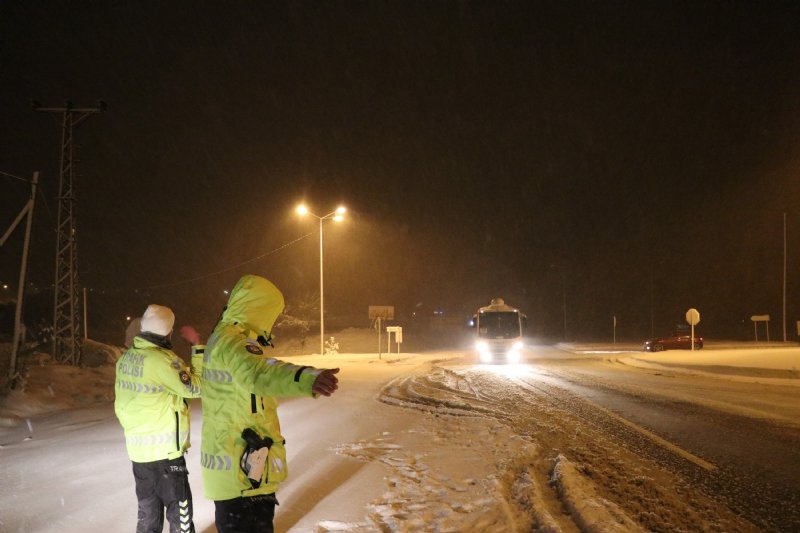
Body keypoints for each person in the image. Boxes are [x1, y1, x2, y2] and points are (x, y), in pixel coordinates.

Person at [200, 274, 340, 533]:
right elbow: (259, 373)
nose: (271, 321)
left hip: (241, 467)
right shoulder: (233, 340)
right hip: (240, 470)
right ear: (257, 308)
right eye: (270, 312)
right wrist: (305, 378)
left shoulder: (224, 337)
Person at [114, 304, 204, 533]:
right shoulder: (163, 361)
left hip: (139, 454)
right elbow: (195, 388)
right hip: (166, 455)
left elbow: (121, 404)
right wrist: (198, 348)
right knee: (179, 516)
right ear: (168, 331)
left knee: (148, 515)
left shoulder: (126, 360)